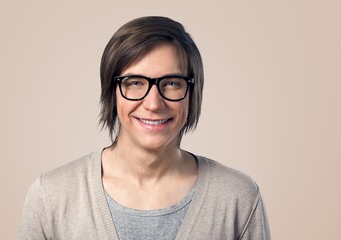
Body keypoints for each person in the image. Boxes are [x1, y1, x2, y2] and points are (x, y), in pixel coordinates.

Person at [20, 16, 271, 240]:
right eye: (135, 82)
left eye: (172, 83)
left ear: (192, 92)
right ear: (112, 91)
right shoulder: (50, 197)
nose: (153, 103)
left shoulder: (237, 198)